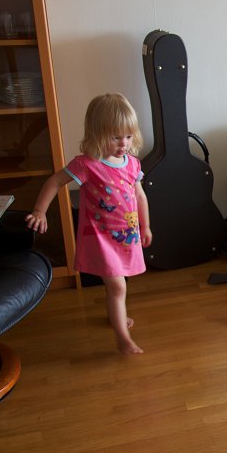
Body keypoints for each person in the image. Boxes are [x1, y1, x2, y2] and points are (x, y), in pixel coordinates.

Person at [26, 93, 152, 354]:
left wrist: (146, 226)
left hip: (126, 236)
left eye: (128, 136)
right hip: (101, 239)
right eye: (115, 137)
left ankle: (116, 312)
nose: (124, 143)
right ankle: (123, 338)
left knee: (118, 285)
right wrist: (40, 211)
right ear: (97, 134)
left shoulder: (132, 164)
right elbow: (55, 182)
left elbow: (140, 195)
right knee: (117, 285)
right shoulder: (87, 164)